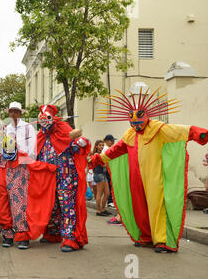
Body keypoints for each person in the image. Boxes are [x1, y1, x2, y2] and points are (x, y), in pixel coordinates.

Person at [90, 88, 208, 253]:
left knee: (156, 207)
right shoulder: (129, 135)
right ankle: (146, 237)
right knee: (139, 208)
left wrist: (197, 133)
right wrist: (95, 159)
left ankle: (162, 240)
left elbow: (178, 131)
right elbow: (114, 151)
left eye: (138, 120)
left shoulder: (158, 129)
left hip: (154, 178)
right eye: (132, 121)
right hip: (135, 179)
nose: (136, 124)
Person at [0, 134, 57, 250]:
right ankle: (8, 235)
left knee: (19, 210)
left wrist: (50, 168)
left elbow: (35, 165)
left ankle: (22, 236)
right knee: (0, 210)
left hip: (19, 187)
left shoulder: (22, 158)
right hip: (0, 187)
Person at [36, 104, 91, 252]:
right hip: (49, 179)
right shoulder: (41, 135)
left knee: (67, 205)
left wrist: (82, 142)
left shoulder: (65, 130)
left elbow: (77, 146)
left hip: (66, 176)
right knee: (51, 205)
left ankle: (70, 238)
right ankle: (52, 233)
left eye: (46, 118)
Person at [91, 140, 111, 217]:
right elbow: (103, 165)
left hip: (103, 174)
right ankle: (99, 210)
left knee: (107, 193)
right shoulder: (96, 155)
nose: (101, 147)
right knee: (99, 193)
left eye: (102, 145)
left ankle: (103, 209)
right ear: (96, 146)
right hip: (99, 174)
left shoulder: (101, 154)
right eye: (100, 145)